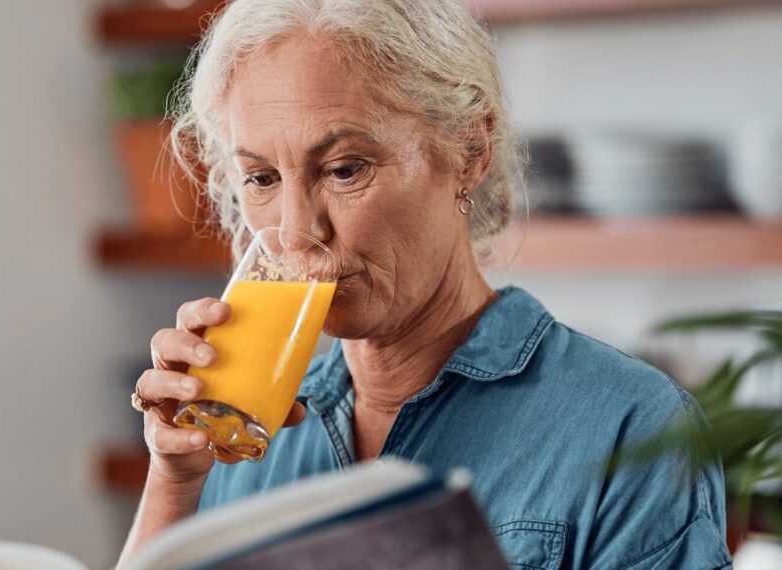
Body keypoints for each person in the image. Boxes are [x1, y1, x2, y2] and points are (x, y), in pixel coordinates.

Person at [119, 1, 731, 568]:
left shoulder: (631, 425)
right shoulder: (241, 429)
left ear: (468, 150)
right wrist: (174, 480)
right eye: (260, 178)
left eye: (344, 169)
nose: (298, 230)